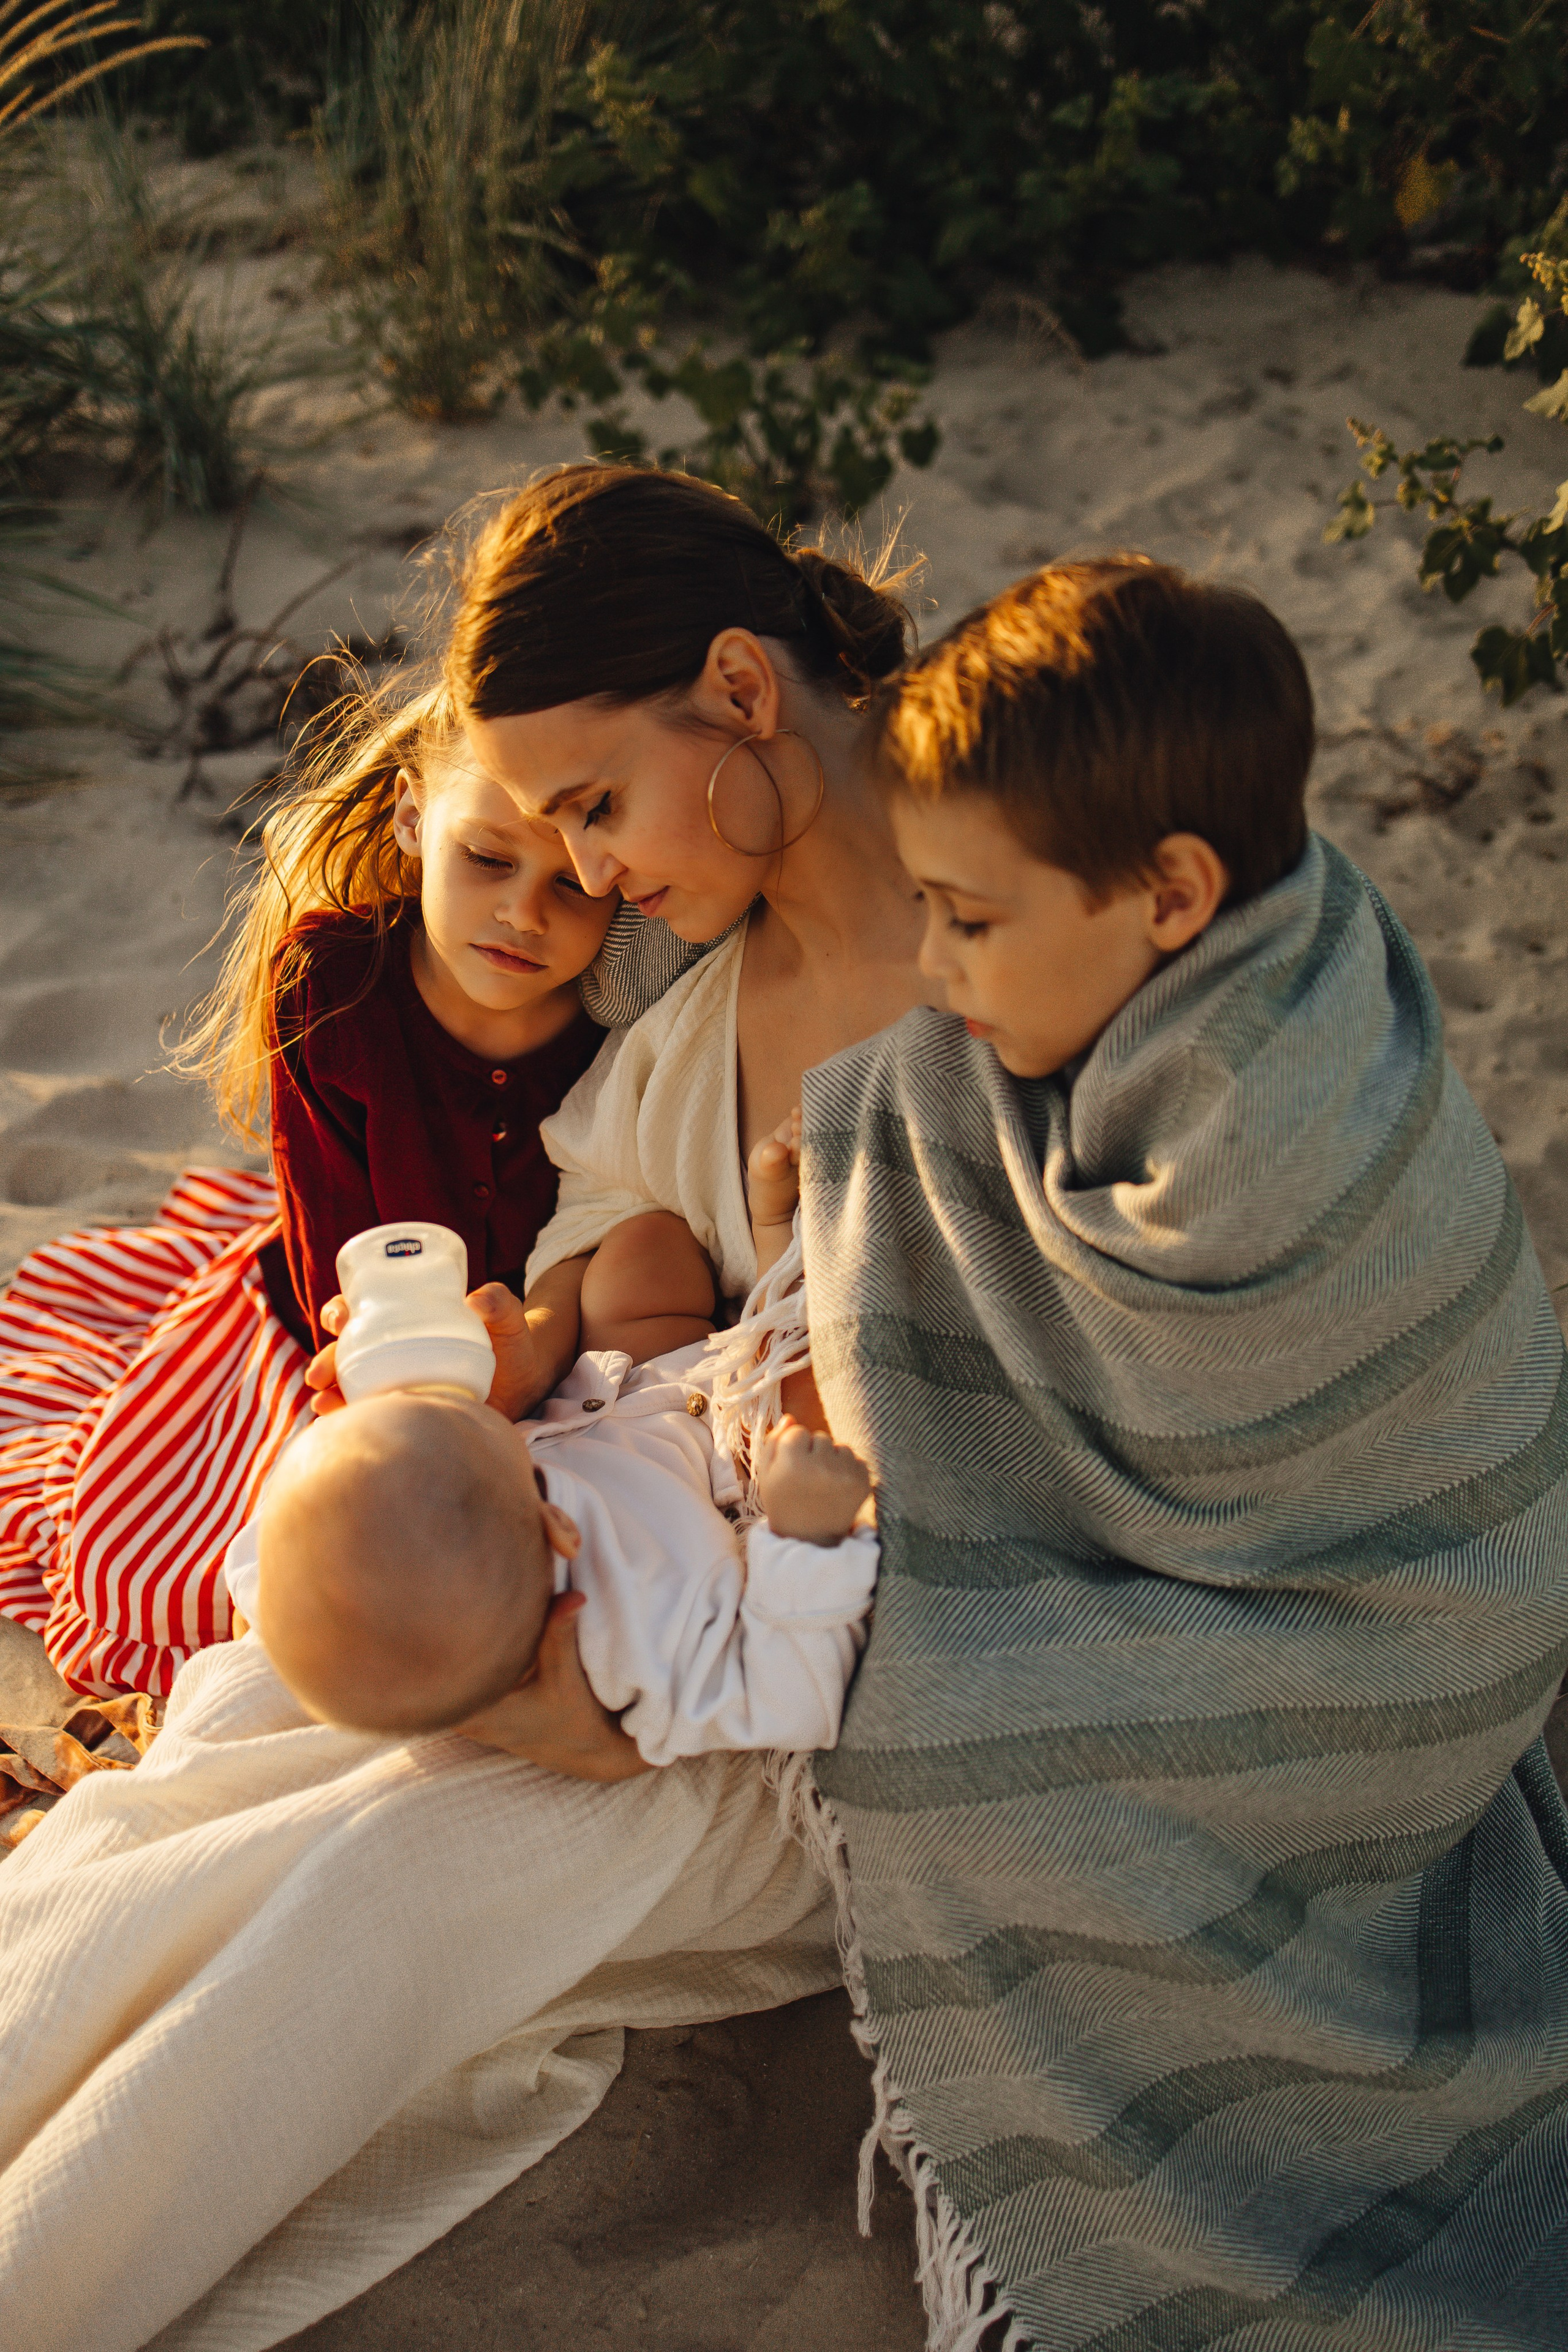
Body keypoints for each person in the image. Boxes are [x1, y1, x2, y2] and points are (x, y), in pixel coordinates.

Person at [0, 460, 937, 2352]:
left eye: (592, 805)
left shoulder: (1013, 937)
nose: (583, 873)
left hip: (816, 1693)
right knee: (243, 1710)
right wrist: (544, 1350)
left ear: (744, 695)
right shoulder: (702, 981)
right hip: (628, 1539)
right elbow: (610, 1234)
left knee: (381, 1865)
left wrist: (628, 1684)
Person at [797, 557, 1568, 2350]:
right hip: (1265, 1569)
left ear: (1172, 893)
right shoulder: (1164, 977)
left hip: (1407, 1625)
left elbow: (1293, 1426)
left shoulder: (1278, 1127)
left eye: (968, 920)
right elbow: (936, 1105)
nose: (926, 965)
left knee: (930, 1736)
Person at [0, 670, 612, 1702]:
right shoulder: (335, 982)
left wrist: (532, 1350)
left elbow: (616, 1212)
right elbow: (333, 1243)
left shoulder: (616, 1011)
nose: (522, 913)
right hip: (344, 1334)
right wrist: (415, 1384)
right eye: (487, 858)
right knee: (191, 1579)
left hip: (559, 1328)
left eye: (571, 886)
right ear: (417, 821)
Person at [229, 1371, 876, 1762]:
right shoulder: (645, 1630)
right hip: (710, 1423)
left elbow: (259, 1561)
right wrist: (803, 1535)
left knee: (639, 1254)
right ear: (558, 1526)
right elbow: (793, 1702)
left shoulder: (314, 1590)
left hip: (616, 1392)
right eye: (473, 1420)